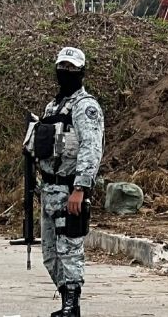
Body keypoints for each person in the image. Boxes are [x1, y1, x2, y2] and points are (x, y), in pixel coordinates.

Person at [35, 47, 104, 317]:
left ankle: (71, 306)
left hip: (69, 190)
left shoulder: (86, 107)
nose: (67, 73)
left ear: (82, 72)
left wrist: (80, 187)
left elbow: (91, 147)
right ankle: (65, 300)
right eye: (63, 68)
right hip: (49, 189)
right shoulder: (53, 107)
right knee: (50, 253)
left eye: (73, 69)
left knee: (70, 248)